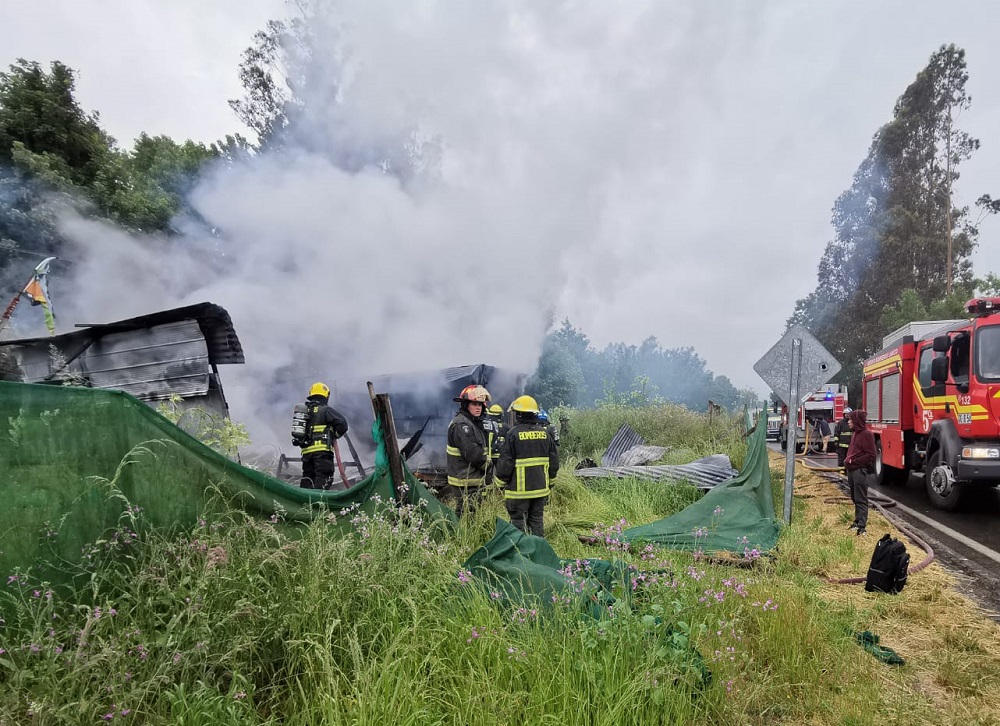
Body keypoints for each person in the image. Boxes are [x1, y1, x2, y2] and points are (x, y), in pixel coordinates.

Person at [495, 395, 559, 538]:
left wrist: (500, 483)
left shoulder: (513, 434)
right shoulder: (545, 433)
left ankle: (520, 555)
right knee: (536, 522)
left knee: (518, 524)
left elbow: (506, 463)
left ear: (518, 414)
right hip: (540, 490)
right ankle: (538, 552)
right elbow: (554, 461)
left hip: (519, 492)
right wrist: (551, 482)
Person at [446, 384, 492, 518]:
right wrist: (489, 466)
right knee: (467, 515)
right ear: (466, 404)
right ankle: (462, 538)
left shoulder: (472, 423)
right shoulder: (462, 425)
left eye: (480, 404)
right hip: (465, 481)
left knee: (472, 514)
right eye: (474, 404)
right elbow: (473, 454)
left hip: (471, 479)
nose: (478, 407)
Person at [295, 382, 349, 490]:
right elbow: (343, 424)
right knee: (324, 479)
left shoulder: (305, 410)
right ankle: (318, 504)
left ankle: (305, 504)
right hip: (322, 453)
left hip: (307, 453)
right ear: (326, 395)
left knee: (308, 480)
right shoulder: (325, 410)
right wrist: (335, 435)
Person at [843, 410, 876, 536]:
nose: (848, 421)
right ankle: (857, 522)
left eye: (851, 419)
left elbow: (871, 455)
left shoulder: (867, 435)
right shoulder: (855, 434)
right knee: (854, 497)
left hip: (858, 471)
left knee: (861, 499)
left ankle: (862, 527)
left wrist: (854, 462)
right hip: (851, 471)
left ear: (856, 421)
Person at [482, 404, 506, 484]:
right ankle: (498, 488)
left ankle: (488, 487)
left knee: (488, 473)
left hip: (489, 454)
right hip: (500, 455)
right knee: (499, 473)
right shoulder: (506, 427)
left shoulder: (486, 425)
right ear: (500, 415)